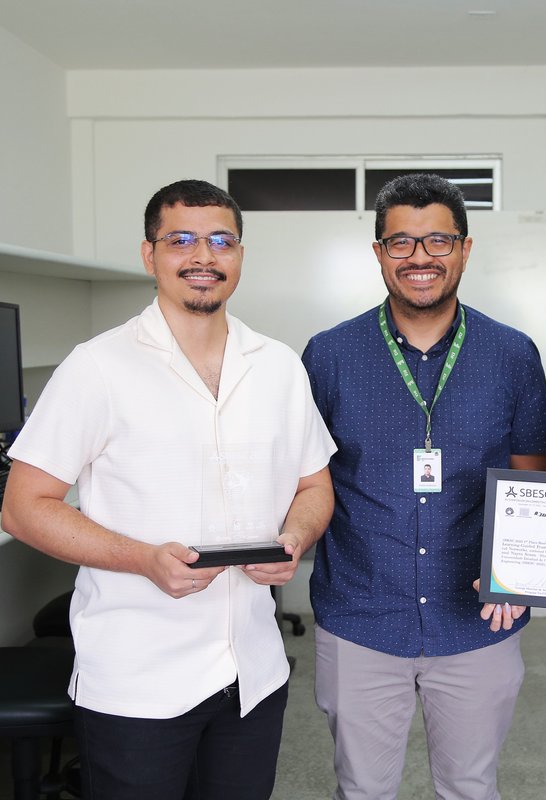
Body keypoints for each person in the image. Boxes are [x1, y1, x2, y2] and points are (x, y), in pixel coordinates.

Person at [1, 179, 336, 800]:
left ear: (240, 255)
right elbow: (23, 508)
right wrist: (142, 559)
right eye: (181, 240)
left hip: (252, 673)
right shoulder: (97, 367)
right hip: (139, 680)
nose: (203, 256)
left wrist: (296, 535)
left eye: (221, 241)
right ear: (149, 254)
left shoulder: (279, 367)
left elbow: (314, 484)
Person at [302, 172, 546, 799]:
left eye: (438, 240)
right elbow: (305, 478)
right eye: (401, 242)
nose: (420, 257)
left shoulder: (512, 353)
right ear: (379, 252)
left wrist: (514, 570)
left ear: (465, 249)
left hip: (476, 621)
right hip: (360, 614)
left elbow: (530, 476)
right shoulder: (328, 356)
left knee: (470, 786)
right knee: (361, 789)